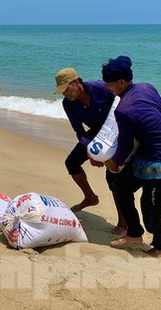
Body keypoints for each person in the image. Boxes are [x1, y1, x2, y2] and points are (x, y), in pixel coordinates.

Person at [101, 56, 161, 258]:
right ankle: (135, 234)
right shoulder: (147, 87)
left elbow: (126, 144)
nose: (107, 88)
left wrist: (114, 162)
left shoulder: (124, 110)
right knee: (121, 186)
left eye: (109, 84)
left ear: (121, 82)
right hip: (144, 156)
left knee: (151, 212)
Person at [54, 67, 128, 233]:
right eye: (62, 92)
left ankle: (123, 222)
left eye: (66, 89)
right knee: (71, 162)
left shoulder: (101, 89)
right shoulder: (68, 104)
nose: (65, 94)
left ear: (76, 82)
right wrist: (91, 152)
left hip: (115, 130)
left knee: (113, 175)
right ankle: (90, 197)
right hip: (95, 133)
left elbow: (125, 100)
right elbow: (79, 131)